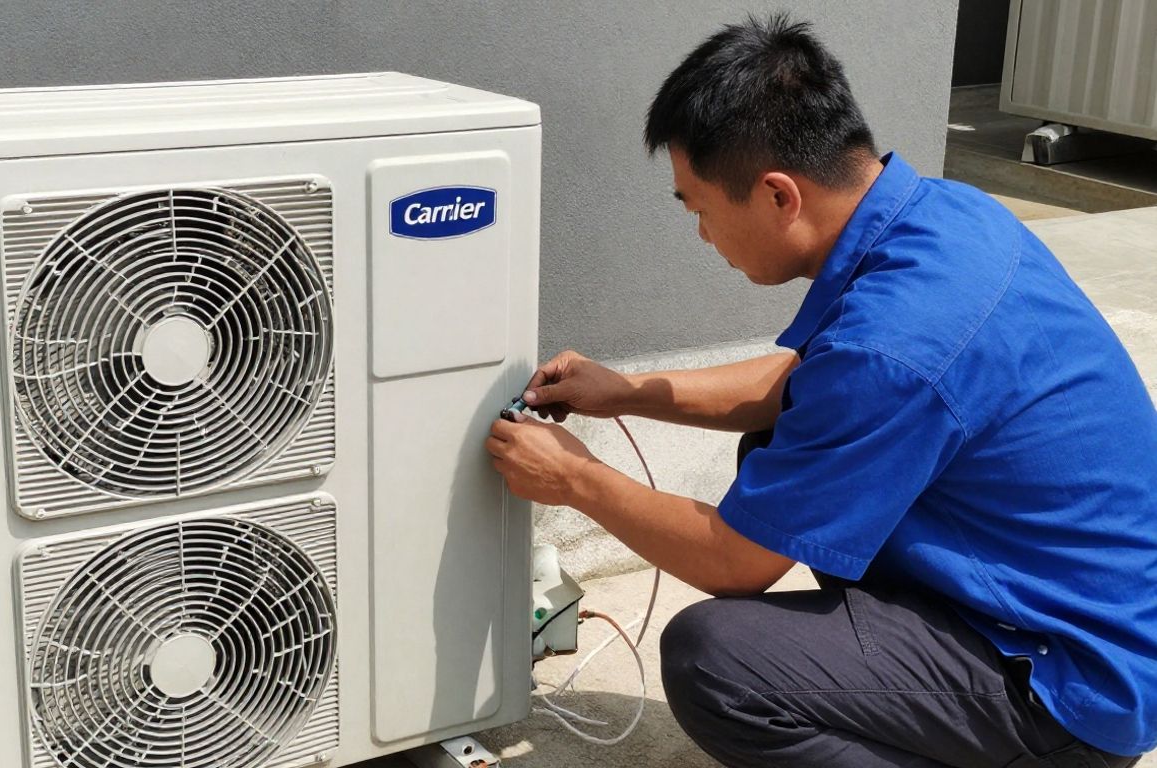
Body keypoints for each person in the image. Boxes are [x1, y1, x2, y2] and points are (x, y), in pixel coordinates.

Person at [485, 13, 1156, 768]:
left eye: (700, 210)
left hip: (1066, 684)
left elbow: (736, 562)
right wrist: (630, 390)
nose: (703, 236)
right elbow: (814, 381)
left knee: (717, 662)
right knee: (774, 446)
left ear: (779, 195)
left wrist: (574, 478)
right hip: (1086, 610)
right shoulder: (939, 217)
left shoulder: (897, 341)